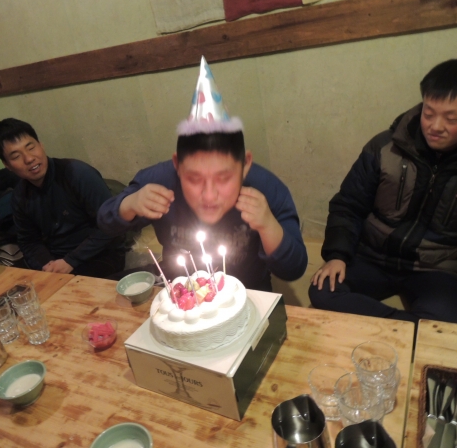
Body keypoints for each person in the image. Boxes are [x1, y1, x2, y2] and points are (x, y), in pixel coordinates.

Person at [309, 58, 457, 325]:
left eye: (451, 118)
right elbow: (349, 204)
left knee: (442, 322)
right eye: (428, 113)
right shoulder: (386, 147)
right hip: (372, 255)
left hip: (438, 269)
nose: (435, 126)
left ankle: (413, 328)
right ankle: (412, 328)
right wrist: (337, 255)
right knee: (322, 290)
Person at [98, 57, 307, 291]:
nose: (209, 195)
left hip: (248, 293)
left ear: (245, 164)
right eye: (194, 179)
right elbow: (105, 223)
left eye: (224, 178)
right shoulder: (161, 182)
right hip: (181, 293)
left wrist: (268, 225)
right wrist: (130, 204)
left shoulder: (265, 188)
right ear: (177, 165)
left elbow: (294, 269)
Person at [0, 118, 125, 277]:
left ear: (41, 145)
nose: (29, 159)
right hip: (57, 260)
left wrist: (71, 261)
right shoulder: (20, 196)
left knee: (72, 287)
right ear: (7, 165)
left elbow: (111, 225)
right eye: (16, 156)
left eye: (31, 147)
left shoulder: (78, 174)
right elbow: (29, 241)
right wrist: (48, 266)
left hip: (100, 254)